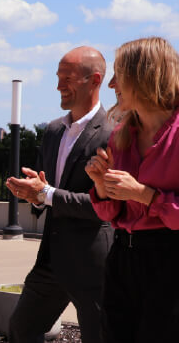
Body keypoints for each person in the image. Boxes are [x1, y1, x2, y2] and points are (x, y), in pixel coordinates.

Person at [5, 46, 114, 343]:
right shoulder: (53, 130)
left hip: (92, 264)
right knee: (21, 329)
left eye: (67, 78)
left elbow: (104, 206)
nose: (58, 86)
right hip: (50, 261)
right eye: (58, 76)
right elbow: (46, 189)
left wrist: (47, 194)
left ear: (95, 80)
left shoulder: (112, 133)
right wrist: (33, 195)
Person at [85, 37, 179, 342]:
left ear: (145, 75)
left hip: (169, 261)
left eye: (119, 75)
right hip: (123, 258)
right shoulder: (122, 135)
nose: (112, 84)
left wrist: (142, 193)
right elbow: (111, 212)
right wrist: (102, 186)